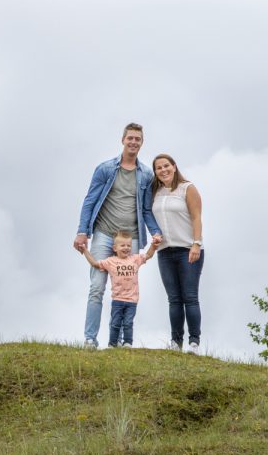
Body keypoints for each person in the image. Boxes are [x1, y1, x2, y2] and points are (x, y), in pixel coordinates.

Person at [73, 123, 162, 348]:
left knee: (126, 290)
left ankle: (122, 342)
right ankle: (90, 339)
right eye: (130, 138)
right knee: (97, 287)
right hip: (104, 233)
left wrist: (156, 232)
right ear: (123, 140)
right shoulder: (105, 169)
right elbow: (90, 200)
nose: (133, 142)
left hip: (130, 238)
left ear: (141, 143)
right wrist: (82, 232)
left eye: (137, 139)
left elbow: (146, 209)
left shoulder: (145, 176)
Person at [151, 154, 204, 355]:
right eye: (158, 168)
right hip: (165, 251)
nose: (163, 170)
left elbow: (197, 217)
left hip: (188, 249)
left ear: (174, 166)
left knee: (189, 297)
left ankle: (194, 343)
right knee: (174, 299)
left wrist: (196, 244)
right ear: (155, 172)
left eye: (166, 166)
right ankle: (175, 342)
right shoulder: (156, 192)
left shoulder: (187, 188)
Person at [79, 230, 157, 348]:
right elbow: (95, 263)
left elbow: (148, 255)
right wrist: (85, 251)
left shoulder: (135, 259)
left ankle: (127, 343)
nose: (126, 248)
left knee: (128, 323)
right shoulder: (110, 261)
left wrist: (153, 246)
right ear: (115, 248)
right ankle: (112, 344)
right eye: (123, 245)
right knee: (115, 324)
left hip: (132, 300)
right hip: (117, 300)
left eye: (129, 245)